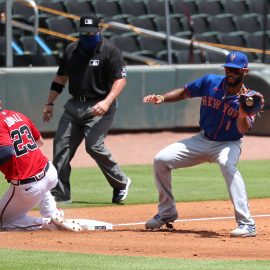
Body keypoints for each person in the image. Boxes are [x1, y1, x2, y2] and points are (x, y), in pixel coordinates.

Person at [143, 51, 261, 237]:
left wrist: (243, 112)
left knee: (227, 165)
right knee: (161, 159)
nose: (230, 73)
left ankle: (247, 224)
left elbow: (243, 129)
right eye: (228, 69)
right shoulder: (210, 82)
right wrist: (163, 98)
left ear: (244, 71)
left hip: (228, 144)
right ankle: (167, 213)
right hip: (202, 139)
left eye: (235, 70)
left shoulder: (249, 99)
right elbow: (185, 92)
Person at [42, 15, 131, 204]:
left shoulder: (109, 50)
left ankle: (121, 183)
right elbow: (60, 78)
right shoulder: (72, 50)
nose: (88, 35)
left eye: (91, 32)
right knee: (61, 148)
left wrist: (107, 102)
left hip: (100, 104)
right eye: (84, 33)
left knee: (94, 146)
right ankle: (61, 192)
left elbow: (120, 80)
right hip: (74, 105)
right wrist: (50, 103)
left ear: (99, 30)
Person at [0, 99, 81, 231]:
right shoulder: (18, 115)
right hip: (49, 173)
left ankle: (47, 223)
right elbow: (39, 142)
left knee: (3, 222)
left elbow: (6, 152)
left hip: (29, 186)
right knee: (42, 187)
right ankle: (54, 214)